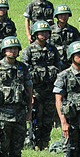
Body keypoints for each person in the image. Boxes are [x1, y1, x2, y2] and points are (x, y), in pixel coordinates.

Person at [20, 21, 61, 150]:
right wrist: (29, 92)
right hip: (36, 90)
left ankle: (45, 142)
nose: (44, 34)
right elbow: (24, 72)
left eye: (46, 32)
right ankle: (35, 143)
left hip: (49, 90)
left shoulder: (52, 49)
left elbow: (58, 67)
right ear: (35, 34)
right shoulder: (29, 50)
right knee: (36, 117)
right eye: (41, 32)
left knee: (48, 118)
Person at [50, 5, 80, 69]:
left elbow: (78, 46)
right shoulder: (50, 30)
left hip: (70, 63)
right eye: (61, 15)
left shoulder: (74, 30)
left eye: (66, 15)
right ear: (57, 16)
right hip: (54, 63)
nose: (63, 17)